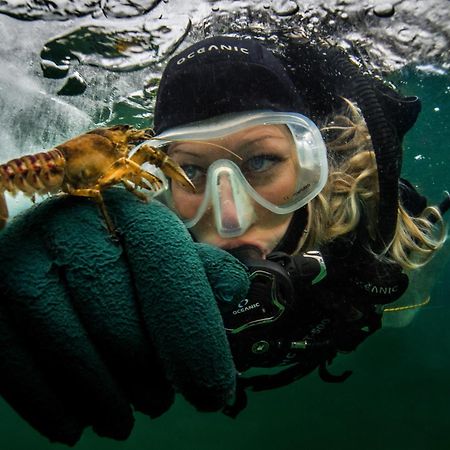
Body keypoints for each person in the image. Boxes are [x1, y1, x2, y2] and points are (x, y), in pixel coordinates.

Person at [0, 35, 447, 444]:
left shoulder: (377, 228)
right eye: (191, 171)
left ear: (313, 165)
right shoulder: (140, 242)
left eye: (263, 161)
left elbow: (401, 307)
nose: (231, 216)